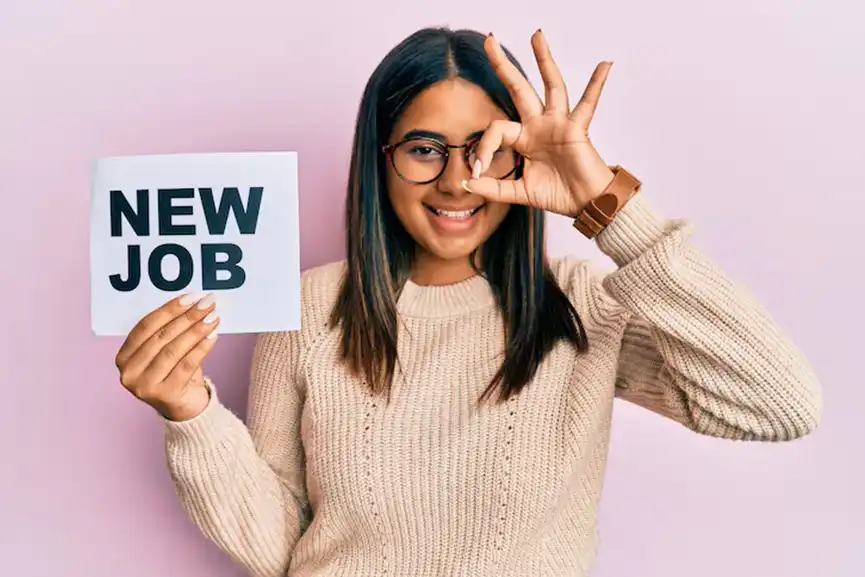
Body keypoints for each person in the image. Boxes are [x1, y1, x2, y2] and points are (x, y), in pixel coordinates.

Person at [114, 27, 823, 577]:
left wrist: (605, 204)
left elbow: (777, 404)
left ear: (522, 153)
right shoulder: (309, 308)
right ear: (379, 158)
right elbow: (275, 546)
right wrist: (191, 415)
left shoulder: (579, 305)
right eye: (424, 149)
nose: (458, 182)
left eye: (483, 148)